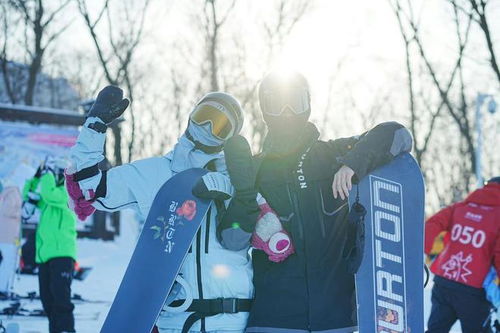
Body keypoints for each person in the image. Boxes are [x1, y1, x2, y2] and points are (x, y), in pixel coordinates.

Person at [217, 71, 413, 332]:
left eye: (295, 102)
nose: (287, 112)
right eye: (277, 104)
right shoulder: (254, 170)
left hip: (337, 318)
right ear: (265, 109)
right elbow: (232, 240)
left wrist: (352, 165)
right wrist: (244, 194)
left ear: (307, 105)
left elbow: (397, 134)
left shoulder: (333, 155)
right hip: (273, 320)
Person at [66, 86, 253, 333]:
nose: (207, 127)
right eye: (203, 116)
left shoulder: (240, 181)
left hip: (235, 320)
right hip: (179, 319)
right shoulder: (155, 174)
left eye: (219, 126)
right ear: (191, 116)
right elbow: (87, 186)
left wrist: (244, 191)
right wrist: (95, 126)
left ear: (229, 137)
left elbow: (255, 235)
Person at [425, 176, 500, 333]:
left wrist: (422, 250)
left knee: (435, 330)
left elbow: (432, 224)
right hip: (473, 289)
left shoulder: (459, 207)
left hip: (444, 280)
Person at [22, 157, 77, 333]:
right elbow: (28, 196)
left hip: (62, 253)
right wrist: (36, 177)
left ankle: (68, 330)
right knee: (47, 301)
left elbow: (49, 194)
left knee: (61, 300)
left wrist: (47, 176)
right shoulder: (48, 198)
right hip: (44, 255)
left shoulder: (68, 193)